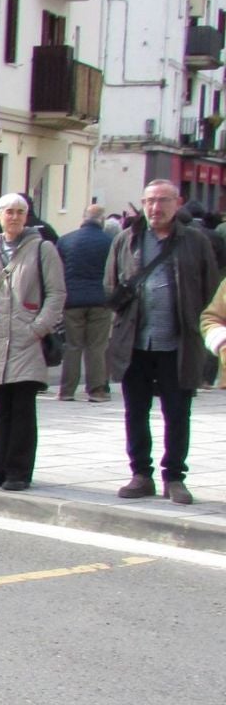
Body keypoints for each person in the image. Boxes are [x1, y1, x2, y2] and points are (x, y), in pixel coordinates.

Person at [104, 180, 222, 504]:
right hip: (135, 341)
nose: (156, 208)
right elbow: (110, 285)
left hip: (178, 342)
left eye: (163, 201)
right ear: (143, 203)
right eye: (150, 201)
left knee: (177, 412)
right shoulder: (126, 240)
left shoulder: (195, 241)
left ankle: (174, 477)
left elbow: (211, 290)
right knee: (135, 411)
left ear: (177, 203)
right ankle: (141, 474)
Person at [0, 194, 65, 492]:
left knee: (23, 406)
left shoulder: (42, 248)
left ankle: (19, 471)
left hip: (27, 338)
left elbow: (56, 294)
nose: (14, 217)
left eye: (20, 212)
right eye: (8, 212)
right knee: (2, 409)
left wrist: (38, 328)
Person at [55, 204, 116, 402]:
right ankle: (96, 389)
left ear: (83, 218)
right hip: (100, 300)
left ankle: (66, 390)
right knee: (96, 346)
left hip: (72, 300)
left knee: (73, 346)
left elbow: (57, 271)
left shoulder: (65, 240)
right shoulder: (110, 242)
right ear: (102, 219)